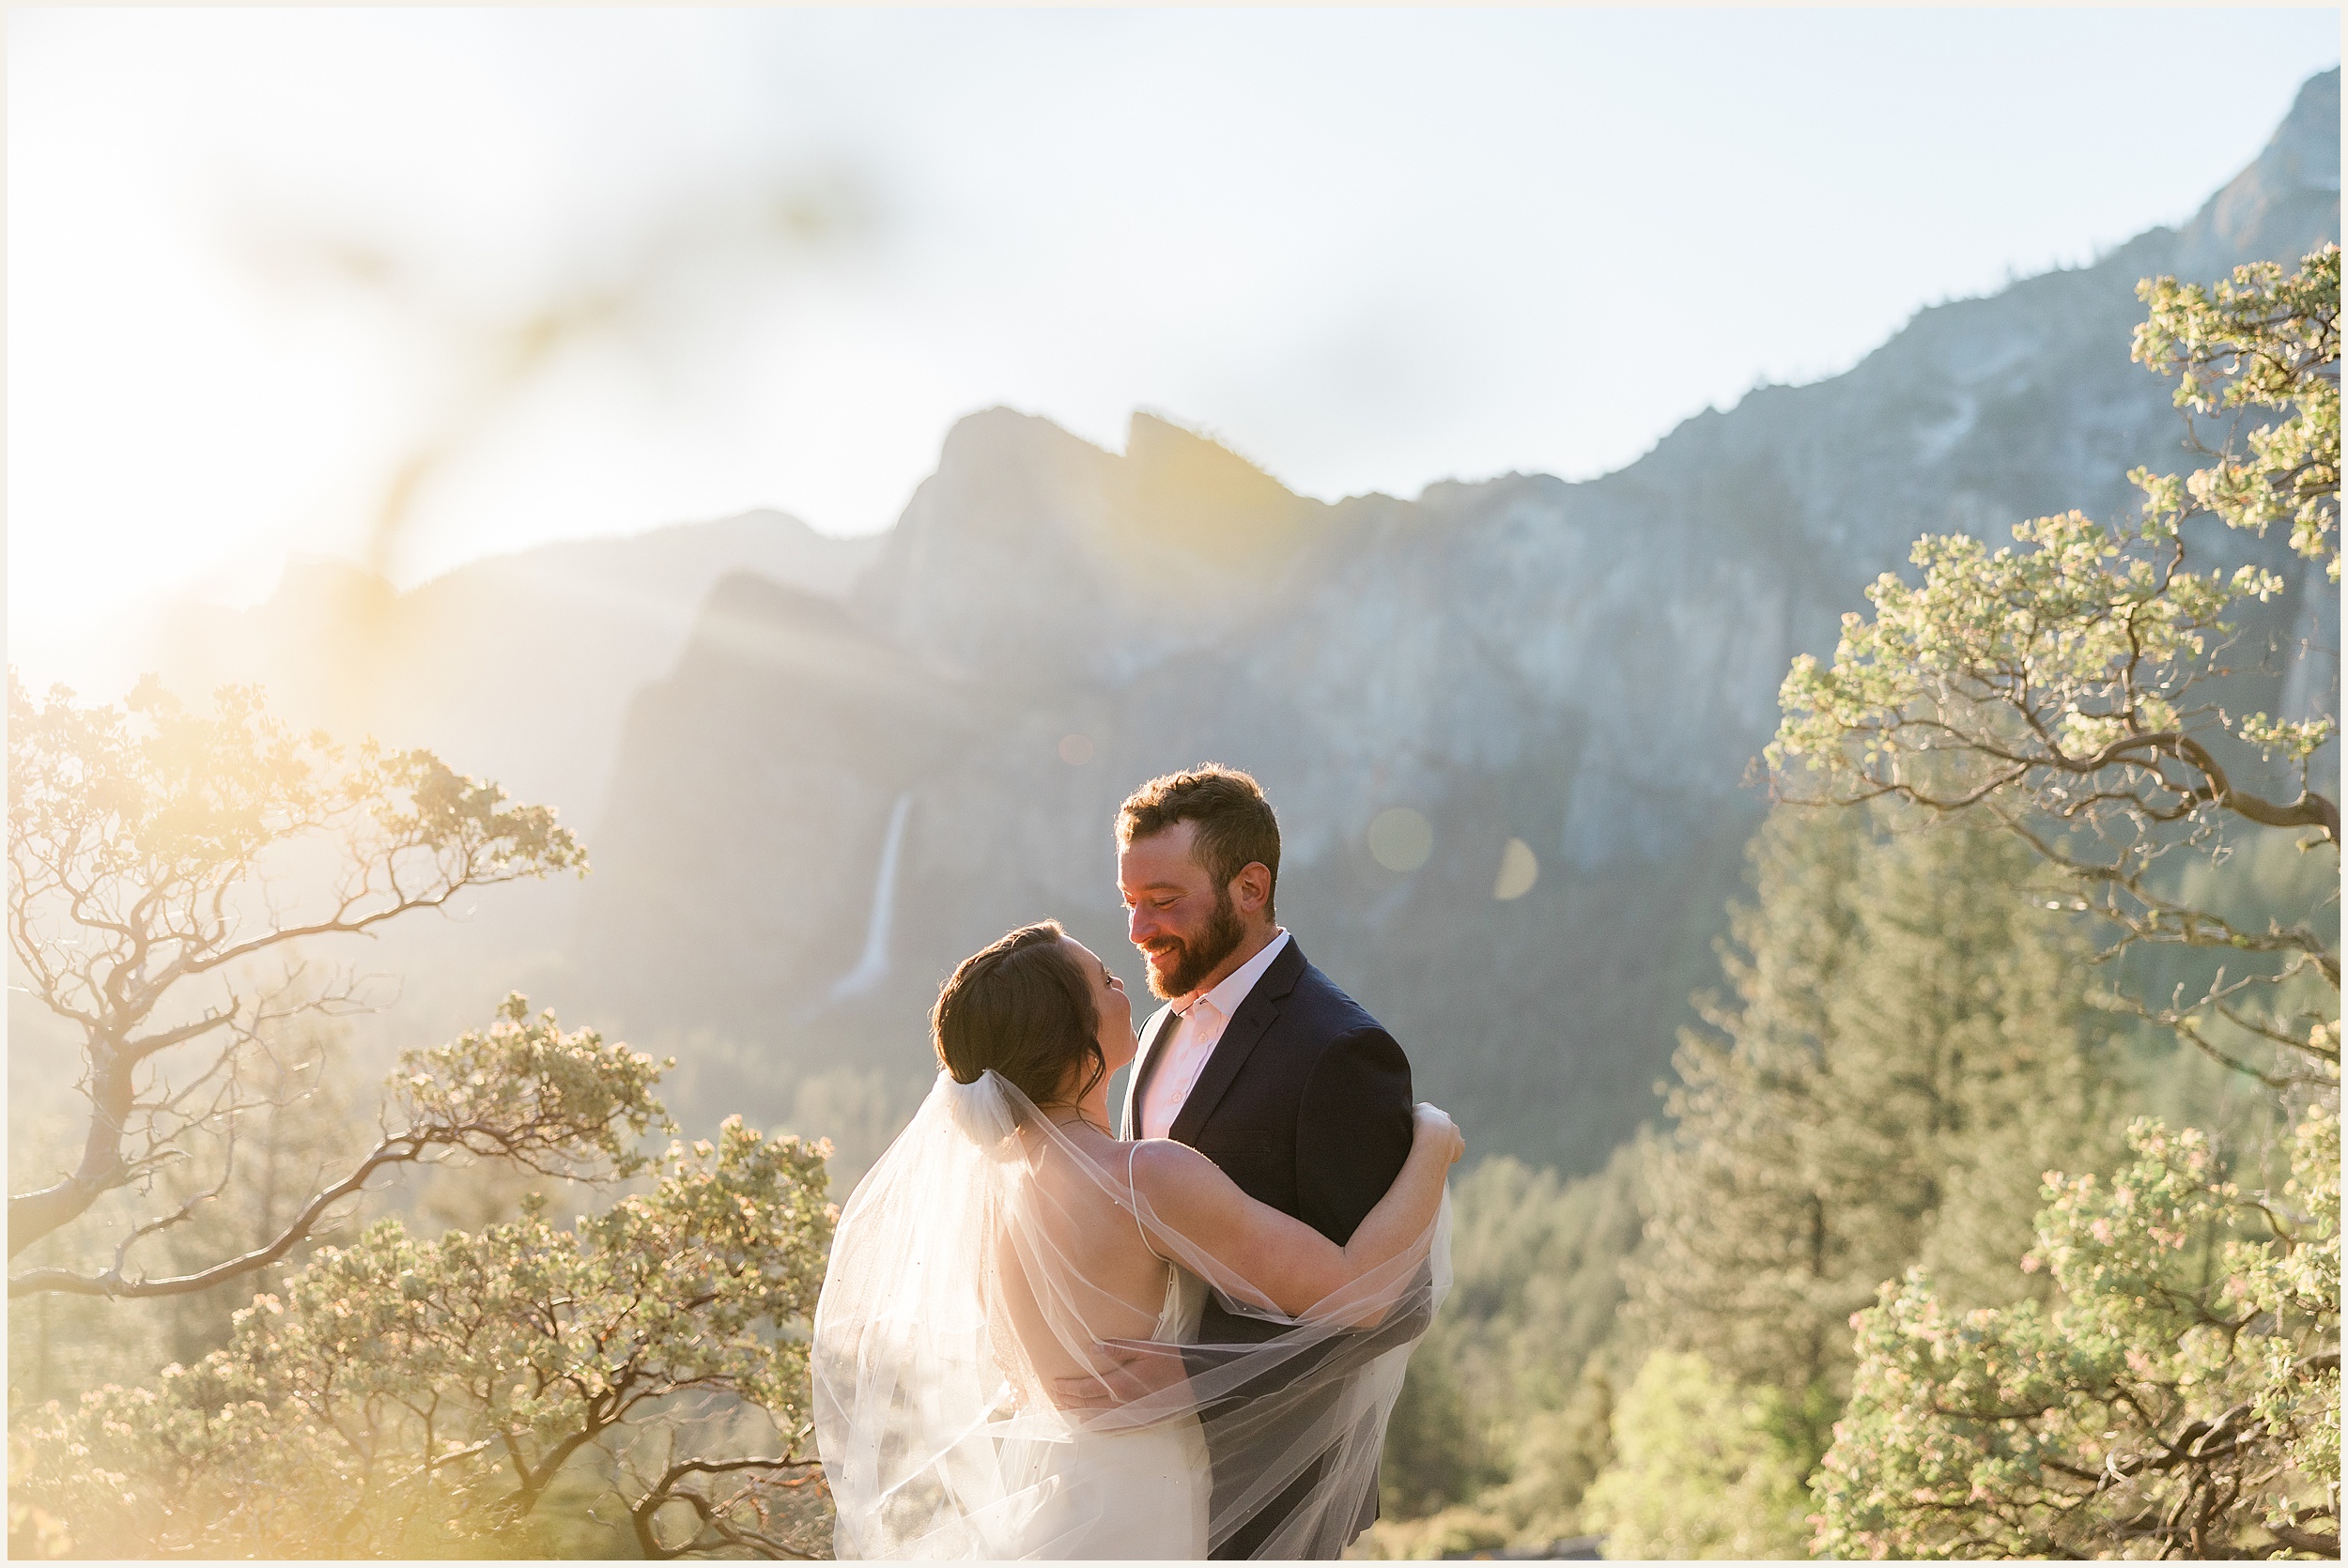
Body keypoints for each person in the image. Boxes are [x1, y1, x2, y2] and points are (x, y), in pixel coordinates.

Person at [812, 919, 1461, 1559]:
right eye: (1106, 980)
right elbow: (1357, 1291)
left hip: (1057, 1500)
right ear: (1075, 1034)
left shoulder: (990, 1197)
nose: (1128, 984)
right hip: (1142, 1513)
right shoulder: (1141, 1179)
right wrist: (1432, 1142)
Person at [1106, 764, 1424, 1557]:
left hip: (1274, 1487)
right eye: (1132, 904)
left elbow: (1392, 1297)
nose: (1140, 931)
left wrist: (1192, 1377)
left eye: (1164, 901)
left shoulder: (1342, 1051)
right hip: (1143, 1475)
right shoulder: (1154, 1035)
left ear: (1251, 886)